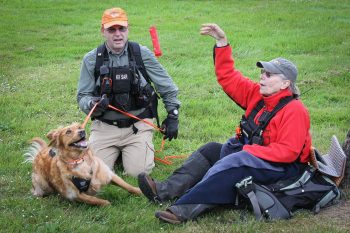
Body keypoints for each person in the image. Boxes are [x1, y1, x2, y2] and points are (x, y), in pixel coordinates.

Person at [137, 23, 312, 224]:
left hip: (283, 168)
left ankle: (182, 210)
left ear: (285, 84)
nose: (262, 77)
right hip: (257, 156)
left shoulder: (295, 111)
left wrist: (247, 151)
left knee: (231, 165)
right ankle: (163, 190)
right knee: (211, 150)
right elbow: (228, 77)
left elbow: (288, 153)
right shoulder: (258, 95)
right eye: (263, 72)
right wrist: (222, 43)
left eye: (269, 74)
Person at [77, 7, 180, 177]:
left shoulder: (142, 54)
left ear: (127, 29)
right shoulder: (91, 59)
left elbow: (166, 86)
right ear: (103, 31)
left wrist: (173, 115)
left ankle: (135, 150)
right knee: (93, 173)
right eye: (112, 29)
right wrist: (91, 103)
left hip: (138, 126)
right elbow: (82, 96)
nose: (117, 34)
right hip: (105, 127)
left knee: (137, 173)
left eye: (121, 29)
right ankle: (116, 152)